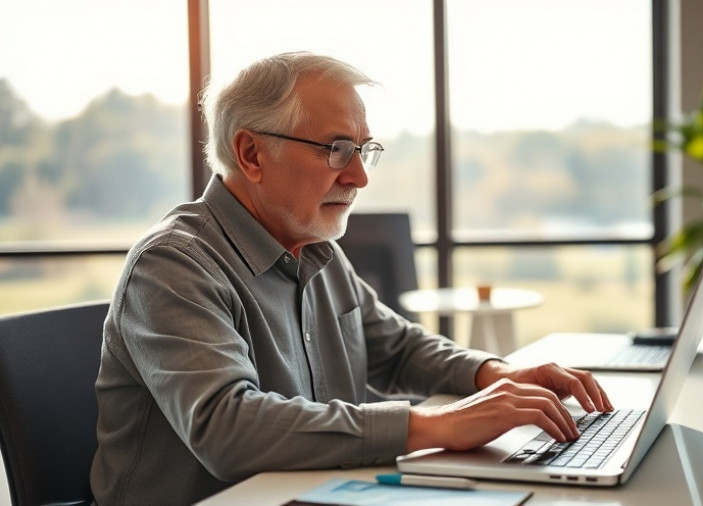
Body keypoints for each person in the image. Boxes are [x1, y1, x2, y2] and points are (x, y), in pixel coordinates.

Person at [89, 51, 613, 505]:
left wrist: (494, 376)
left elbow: (395, 347)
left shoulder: (316, 247)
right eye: (337, 148)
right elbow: (228, 428)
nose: (359, 176)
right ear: (251, 154)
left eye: (364, 150)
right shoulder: (173, 266)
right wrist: (435, 426)